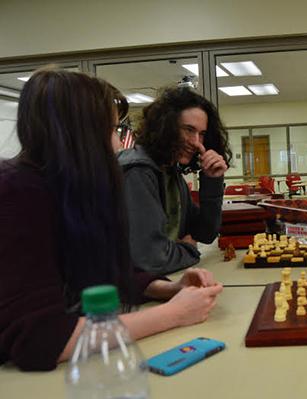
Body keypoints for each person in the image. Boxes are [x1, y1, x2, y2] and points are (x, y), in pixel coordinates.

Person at [0, 68, 223, 371]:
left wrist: (170, 289)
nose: (119, 146)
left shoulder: (68, 189)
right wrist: (174, 314)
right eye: (113, 131)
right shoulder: (16, 192)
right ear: (81, 134)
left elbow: (107, 271)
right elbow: (42, 339)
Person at [118, 87, 232, 275]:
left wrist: (212, 180)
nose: (196, 142)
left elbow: (205, 233)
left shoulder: (170, 172)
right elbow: (152, 259)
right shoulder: (138, 171)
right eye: (188, 130)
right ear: (165, 126)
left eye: (201, 134)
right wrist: (189, 249)